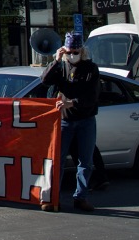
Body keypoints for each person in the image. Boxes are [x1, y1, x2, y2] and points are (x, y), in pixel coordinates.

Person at [40, 32, 100, 213]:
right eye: (69, 51)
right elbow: (44, 80)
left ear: (81, 50)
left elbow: (93, 96)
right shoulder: (61, 67)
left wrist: (72, 102)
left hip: (85, 119)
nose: (72, 54)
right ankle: (53, 198)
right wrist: (56, 60)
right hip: (65, 120)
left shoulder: (91, 69)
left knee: (85, 161)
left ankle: (80, 197)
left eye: (75, 51)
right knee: (58, 159)